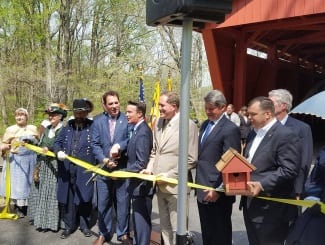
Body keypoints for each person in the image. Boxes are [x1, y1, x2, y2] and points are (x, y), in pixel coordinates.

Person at [141, 91, 198, 245]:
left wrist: (169, 175)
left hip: (176, 187)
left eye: (162, 105)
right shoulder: (159, 122)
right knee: (165, 228)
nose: (159, 108)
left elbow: (191, 159)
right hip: (159, 185)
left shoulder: (188, 125)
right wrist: (149, 169)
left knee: (178, 229)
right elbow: (155, 152)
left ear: (174, 106)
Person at [241, 96, 300, 245]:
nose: (249, 118)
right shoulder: (253, 133)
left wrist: (261, 184)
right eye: (248, 114)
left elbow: (289, 170)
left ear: (267, 114)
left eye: (253, 114)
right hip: (251, 207)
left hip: (271, 212)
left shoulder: (285, 135)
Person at [195, 90, 241, 245]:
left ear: (222, 108)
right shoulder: (205, 125)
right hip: (202, 187)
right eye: (206, 108)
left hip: (217, 192)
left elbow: (231, 163)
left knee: (220, 234)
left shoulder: (230, 129)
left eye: (211, 109)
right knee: (207, 233)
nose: (207, 112)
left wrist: (219, 189)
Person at [91, 90, 131, 245]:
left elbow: (129, 139)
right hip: (104, 169)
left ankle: (123, 233)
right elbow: (94, 144)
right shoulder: (97, 120)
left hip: (122, 168)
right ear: (104, 105)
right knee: (104, 202)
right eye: (110, 103)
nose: (114, 106)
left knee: (123, 202)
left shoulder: (127, 119)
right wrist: (104, 159)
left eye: (116, 102)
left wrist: (119, 147)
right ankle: (103, 233)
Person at [53, 98, 95, 239]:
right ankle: (68, 226)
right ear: (74, 112)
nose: (79, 115)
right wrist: (58, 151)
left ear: (86, 113)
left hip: (85, 169)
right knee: (69, 197)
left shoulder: (93, 126)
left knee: (85, 197)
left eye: (82, 113)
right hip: (67, 168)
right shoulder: (67, 126)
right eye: (77, 112)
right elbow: (57, 142)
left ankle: (85, 225)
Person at [28, 103, 68, 231]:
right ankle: (41, 221)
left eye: (53, 115)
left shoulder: (64, 130)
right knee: (41, 192)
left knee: (51, 194)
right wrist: (30, 142)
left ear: (60, 116)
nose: (51, 117)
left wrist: (50, 148)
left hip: (55, 165)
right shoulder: (47, 129)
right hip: (43, 164)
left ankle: (51, 223)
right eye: (50, 115)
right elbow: (40, 143)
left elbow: (63, 146)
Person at [268, 89, 313, 199]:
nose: (266, 106)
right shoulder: (264, 126)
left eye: (270, 103)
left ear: (283, 106)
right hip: (266, 185)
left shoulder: (301, 128)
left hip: (289, 189)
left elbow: (304, 160)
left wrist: (298, 189)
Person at [0, 108, 39, 218]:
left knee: (29, 184)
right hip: (17, 161)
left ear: (27, 117)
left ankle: (28, 207)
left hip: (31, 159)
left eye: (22, 115)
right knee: (18, 185)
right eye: (17, 115)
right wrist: (7, 148)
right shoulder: (10, 129)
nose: (19, 117)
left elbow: (38, 143)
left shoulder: (33, 128)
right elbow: (3, 145)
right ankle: (18, 207)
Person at [125, 101, 153, 245]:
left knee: (141, 226)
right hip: (136, 186)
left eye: (129, 112)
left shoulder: (142, 133)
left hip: (141, 187)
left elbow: (141, 163)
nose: (126, 115)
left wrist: (122, 172)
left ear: (140, 114)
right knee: (137, 223)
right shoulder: (137, 129)